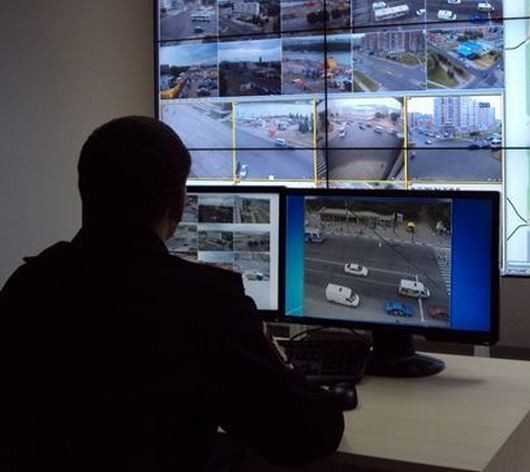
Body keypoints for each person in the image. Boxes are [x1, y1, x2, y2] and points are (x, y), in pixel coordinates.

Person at [0, 116, 344, 472]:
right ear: (178, 205)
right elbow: (308, 433)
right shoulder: (204, 302)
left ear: (85, 192)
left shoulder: (26, 286)